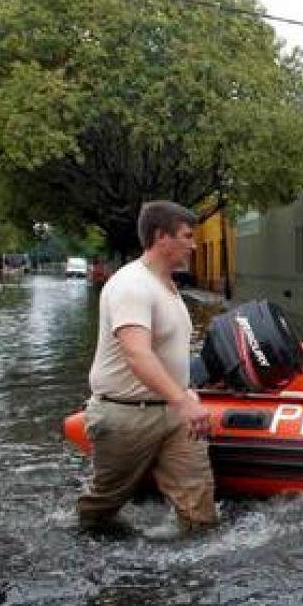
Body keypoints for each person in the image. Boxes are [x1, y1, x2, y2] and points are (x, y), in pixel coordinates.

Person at [77, 200, 216, 532]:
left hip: (173, 414)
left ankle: (195, 568)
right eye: (187, 236)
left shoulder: (168, 286)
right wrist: (182, 400)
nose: (194, 245)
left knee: (199, 507)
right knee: (104, 505)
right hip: (127, 414)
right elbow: (137, 354)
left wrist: (185, 394)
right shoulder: (132, 285)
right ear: (160, 237)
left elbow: (168, 351)